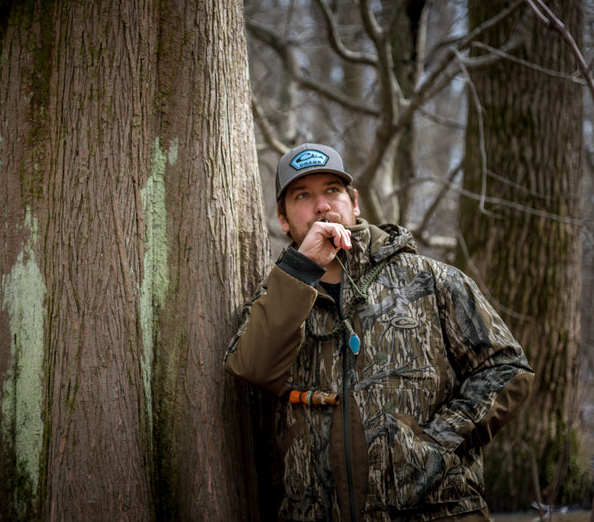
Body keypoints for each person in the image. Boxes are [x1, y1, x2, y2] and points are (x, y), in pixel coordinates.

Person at [223, 143, 534, 521]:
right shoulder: (274, 297)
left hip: (437, 512)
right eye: (302, 195)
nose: (321, 206)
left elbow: (507, 367)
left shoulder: (430, 278)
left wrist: (436, 442)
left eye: (332, 190)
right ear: (283, 219)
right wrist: (301, 271)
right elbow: (251, 367)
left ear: (354, 203)